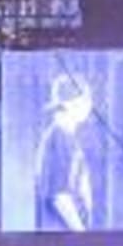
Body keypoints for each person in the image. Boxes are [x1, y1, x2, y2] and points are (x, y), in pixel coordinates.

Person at [34, 72, 94, 232]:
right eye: (86, 99)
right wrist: (81, 234)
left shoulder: (67, 138)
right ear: (70, 104)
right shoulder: (59, 138)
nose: (90, 105)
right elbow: (60, 196)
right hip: (62, 238)